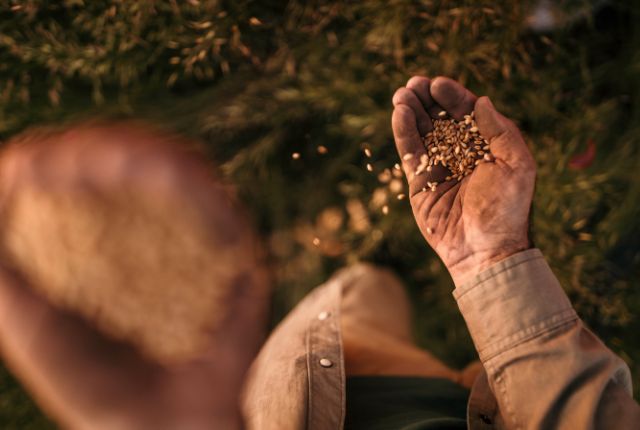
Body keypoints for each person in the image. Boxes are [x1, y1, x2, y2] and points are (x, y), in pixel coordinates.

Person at [0, 77, 638, 429]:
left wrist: (164, 420)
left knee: (362, 306)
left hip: (303, 394)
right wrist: (491, 258)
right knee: (371, 310)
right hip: (406, 398)